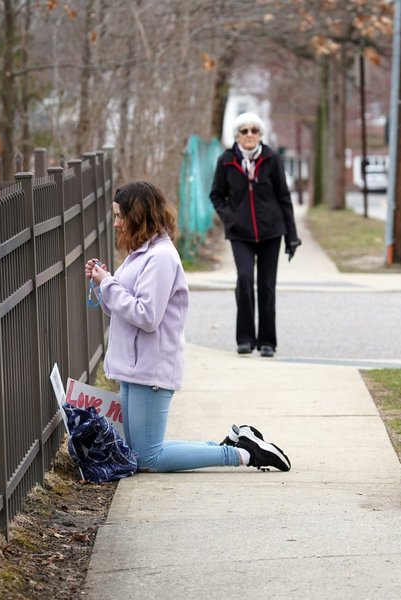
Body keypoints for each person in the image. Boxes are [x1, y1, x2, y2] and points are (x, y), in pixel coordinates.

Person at [85, 180, 290, 472]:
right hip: (133, 366)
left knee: (148, 458)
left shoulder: (161, 258)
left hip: (150, 368)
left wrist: (108, 283)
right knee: (139, 453)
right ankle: (235, 443)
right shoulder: (139, 253)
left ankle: (244, 455)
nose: (116, 223)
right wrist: (102, 283)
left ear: (138, 216)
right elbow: (118, 309)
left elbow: (146, 315)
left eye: (120, 216)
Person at [210, 112, 301, 358]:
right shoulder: (226, 161)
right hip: (241, 235)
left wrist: (292, 236)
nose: (250, 135)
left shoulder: (272, 159)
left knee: (267, 286)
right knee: (245, 280)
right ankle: (245, 338)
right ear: (237, 135)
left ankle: (267, 341)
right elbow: (216, 195)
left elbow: (284, 197)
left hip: (271, 232)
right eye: (244, 131)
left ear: (260, 134)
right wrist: (231, 218)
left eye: (254, 130)